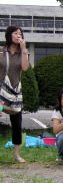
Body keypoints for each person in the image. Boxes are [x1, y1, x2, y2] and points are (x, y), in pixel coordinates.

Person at [0, 26, 29, 163]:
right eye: (15, 33)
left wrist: (23, 49)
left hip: (15, 92)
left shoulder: (23, 52)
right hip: (1, 92)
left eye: (20, 33)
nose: (18, 35)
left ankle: (17, 154)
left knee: (17, 123)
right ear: (9, 35)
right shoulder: (1, 51)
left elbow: (25, 68)